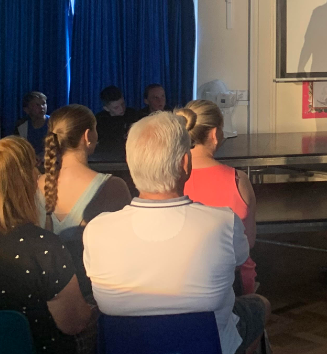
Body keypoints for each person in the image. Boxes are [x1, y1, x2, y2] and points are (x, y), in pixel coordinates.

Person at [83, 113, 270, 354]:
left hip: (127, 347)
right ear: (185, 164)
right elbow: (240, 259)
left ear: (130, 163)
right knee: (259, 305)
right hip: (208, 345)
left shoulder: (97, 230)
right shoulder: (223, 223)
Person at [0, 136, 92, 354]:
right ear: (26, 182)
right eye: (34, 167)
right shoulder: (43, 247)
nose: (38, 174)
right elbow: (74, 322)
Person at [37, 105, 131, 296]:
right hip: (97, 297)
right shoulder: (113, 187)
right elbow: (128, 250)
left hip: (43, 299)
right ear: (87, 136)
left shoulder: (34, 186)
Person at [177, 100, 258, 296]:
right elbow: (249, 241)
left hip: (184, 282)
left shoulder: (172, 181)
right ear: (214, 134)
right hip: (234, 283)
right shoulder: (239, 180)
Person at [94, 86, 140, 154]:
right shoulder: (99, 121)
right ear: (106, 108)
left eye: (122, 104)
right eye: (116, 107)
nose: (121, 109)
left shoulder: (133, 115)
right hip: (108, 156)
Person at [18, 91, 49, 162]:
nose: (42, 107)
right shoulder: (21, 126)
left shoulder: (54, 123)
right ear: (27, 109)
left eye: (43, 104)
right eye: (37, 105)